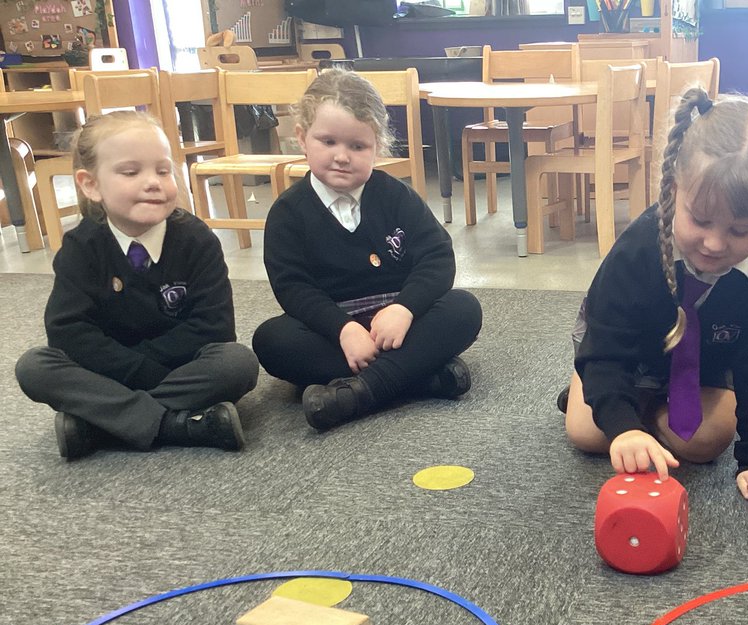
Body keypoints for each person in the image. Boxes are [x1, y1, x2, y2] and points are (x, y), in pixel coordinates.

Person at [560, 88, 748, 508]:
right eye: (699, 220)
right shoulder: (639, 247)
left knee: (704, 443)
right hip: (629, 351)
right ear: (673, 186)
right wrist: (623, 426)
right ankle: (603, 392)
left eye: (740, 231)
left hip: (713, 362)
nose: (715, 244)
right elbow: (607, 347)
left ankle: (638, 403)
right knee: (588, 433)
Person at [14, 110, 258, 460]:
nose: (153, 181)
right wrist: (135, 370)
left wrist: (146, 370)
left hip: (176, 367)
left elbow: (214, 328)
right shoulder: (82, 247)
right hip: (108, 370)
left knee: (237, 363)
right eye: (131, 172)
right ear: (90, 184)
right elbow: (68, 332)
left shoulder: (197, 239)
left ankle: (97, 425)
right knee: (35, 367)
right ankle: (176, 424)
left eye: (163, 170)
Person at [254, 68, 481, 431]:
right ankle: (421, 377)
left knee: (463, 309)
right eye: (328, 142)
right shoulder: (287, 212)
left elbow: (437, 258)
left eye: (357, 146)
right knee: (271, 341)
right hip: (335, 332)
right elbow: (293, 288)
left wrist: (405, 309)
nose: (342, 156)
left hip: (399, 324)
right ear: (301, 137)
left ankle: (358, 392)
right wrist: (343, 329)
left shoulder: (396, 195)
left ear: (377, 146)